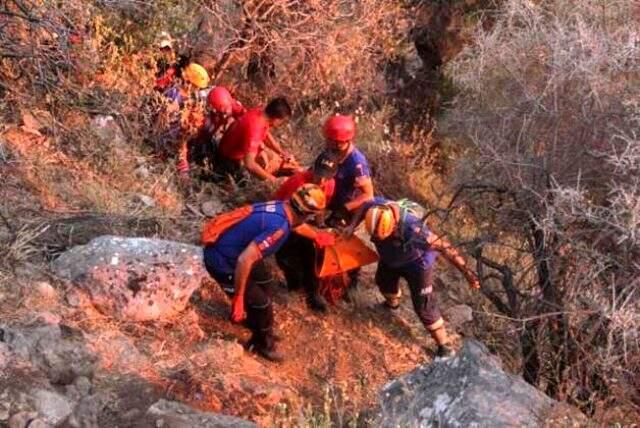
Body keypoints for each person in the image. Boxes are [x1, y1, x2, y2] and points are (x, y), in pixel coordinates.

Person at [203, 184, 327, 362]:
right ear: (306, 214)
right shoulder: (278, 227)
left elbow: (296, 226)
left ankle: (257, 323)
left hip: (237, 251)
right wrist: (238, 298)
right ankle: (262, 344)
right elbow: (244, 260)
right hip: (224, 262)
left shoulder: (282, 209)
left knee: (265, 282)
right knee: (262, 304)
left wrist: (317, 236)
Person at [361, 198, 480, 358]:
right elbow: (363, 204)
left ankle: (444, 346)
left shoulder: (414, 230)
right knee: (383, 282)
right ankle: (392, 304)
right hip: (391, 258)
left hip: (418, 264)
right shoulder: (376, 207)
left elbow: (445, 247)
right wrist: (350, 227)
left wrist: (468, 274)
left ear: (394, 226)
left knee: (424, 306)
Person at [273, 151, 339, 312]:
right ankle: (294, 288)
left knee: (311, 256)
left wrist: (321, 226)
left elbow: (320, 207)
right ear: (313, 169)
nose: (321, 180)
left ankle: (312, 294)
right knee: (287, 259)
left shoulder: (329, 185)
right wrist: (315, 234)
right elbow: (287, 217)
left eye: (326, 177)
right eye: (318, 175)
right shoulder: (298, 183)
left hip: (302, 219)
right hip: (281, 219)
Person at [215, 97, 293, 183]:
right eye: (282, 121)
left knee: (268, 158)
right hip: (226, 159)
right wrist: (274, 181)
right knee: (246, 186)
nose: (281, 124)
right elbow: (250, 164)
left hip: (229, 147)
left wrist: (280, 151)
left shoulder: (261, 113)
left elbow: (265, 134)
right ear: (276, 119)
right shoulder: (255, 129)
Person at [176, 86, 246, 178]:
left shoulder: (230, 103)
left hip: (206, 139)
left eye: (226, 113)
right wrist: (183, 167)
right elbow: (182, 140)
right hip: (192, 139)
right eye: (221, 114)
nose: (224, 117)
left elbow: (248, 119)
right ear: (211, 110)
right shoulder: (196, 111)